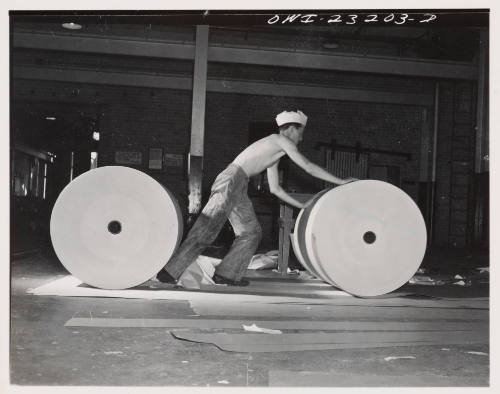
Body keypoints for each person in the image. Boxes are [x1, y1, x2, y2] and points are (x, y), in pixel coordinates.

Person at [157, 110, 354, 286]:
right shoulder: (279, 140)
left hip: (239, 184)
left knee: (251, 232)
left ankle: (227, 274)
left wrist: (303, 205)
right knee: (207, 229)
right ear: (292, 129)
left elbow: (275, 189)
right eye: (301, 133)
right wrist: (341, 182)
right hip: (231, 180)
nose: (301, 139)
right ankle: (168, 272)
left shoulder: (275, 153)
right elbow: (308, 166)